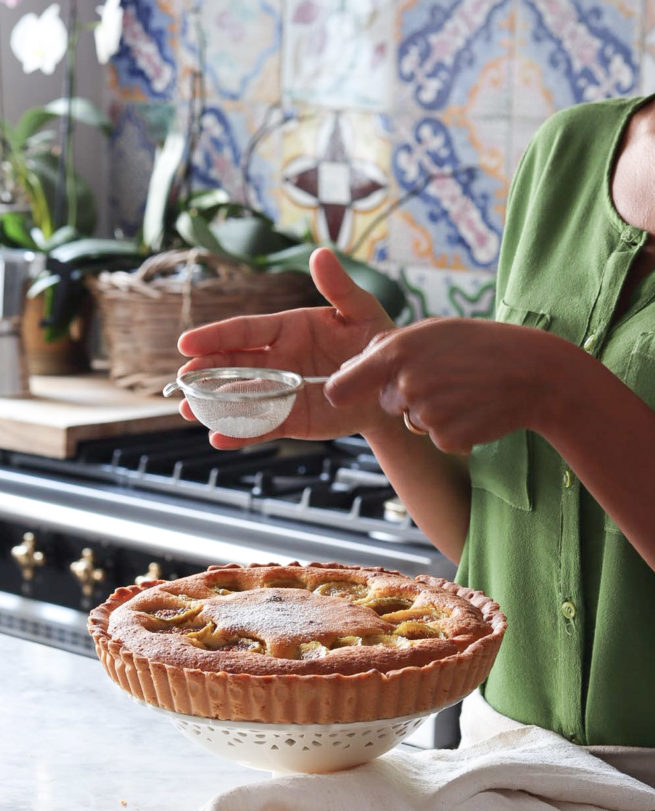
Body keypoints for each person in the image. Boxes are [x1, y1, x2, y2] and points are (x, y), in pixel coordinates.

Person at [175, 93, 655, 752]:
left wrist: (559, 389)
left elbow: (560, 399)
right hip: (499, 773)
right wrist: (377, 406)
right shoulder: (565, 153)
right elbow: (490, 542)